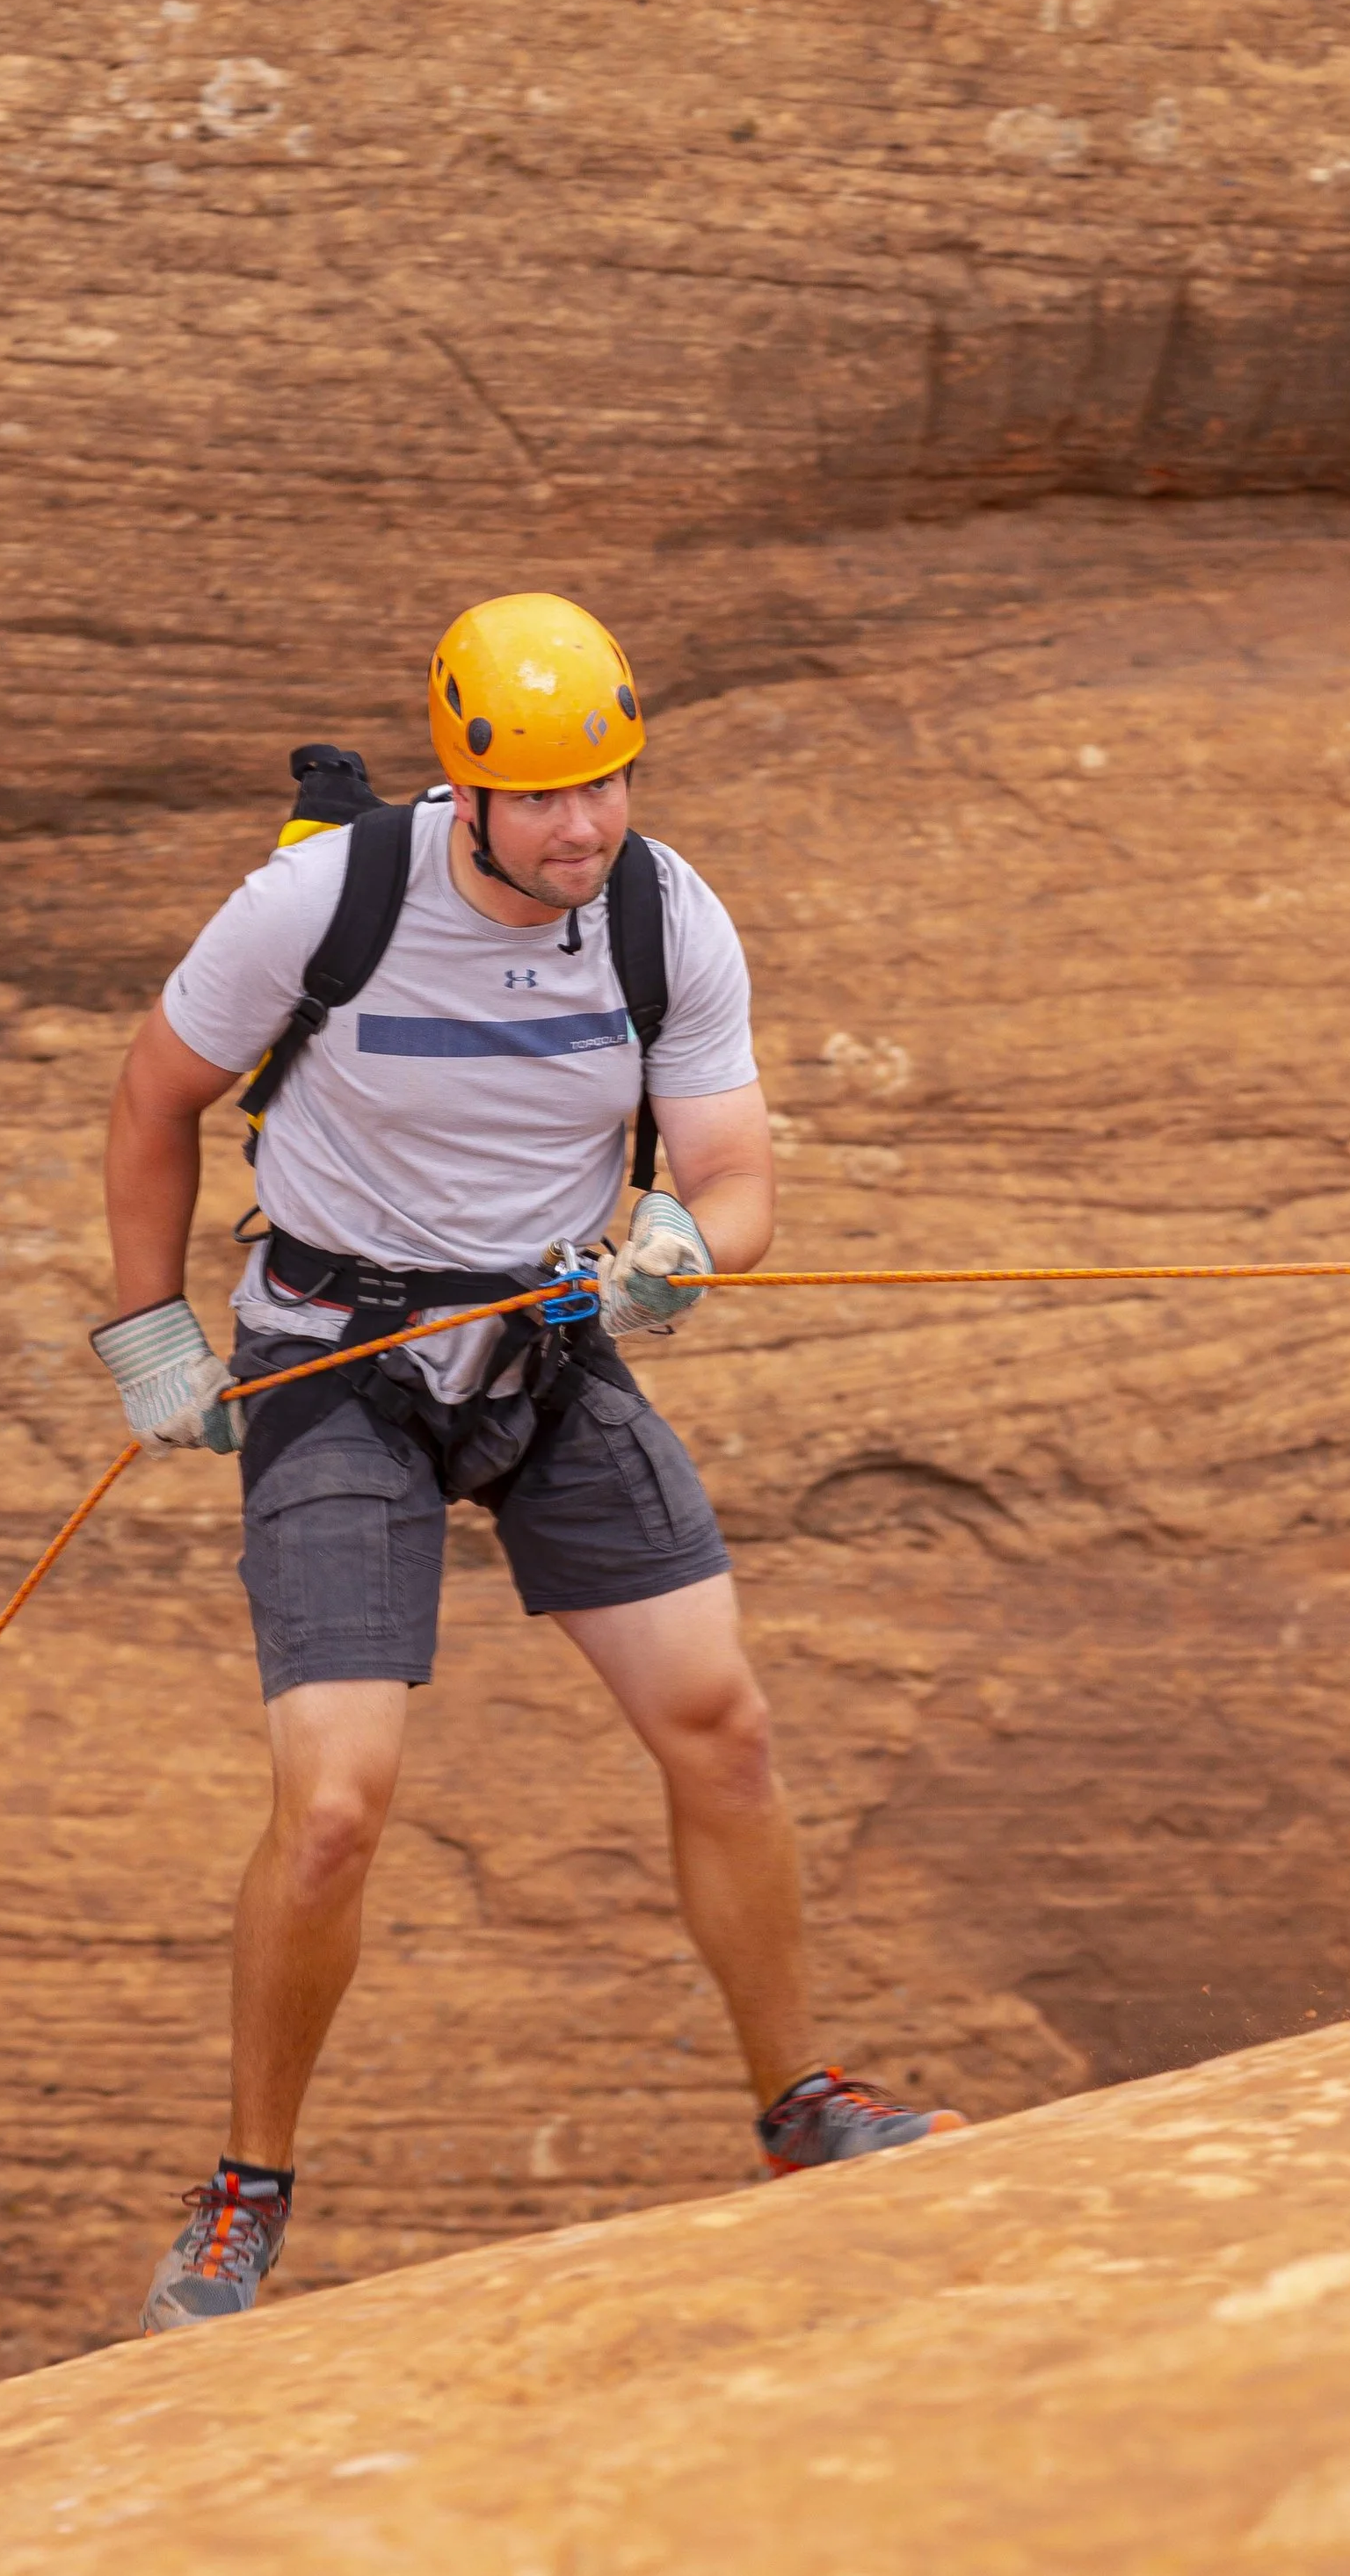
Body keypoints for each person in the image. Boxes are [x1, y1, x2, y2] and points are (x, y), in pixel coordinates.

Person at [93, 592, 963, 2334]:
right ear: (465, 787)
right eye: (545, 794)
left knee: (720, 1725)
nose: (582, 826)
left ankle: (800, 2104)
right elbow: (149, 1100)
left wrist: (687, 1250)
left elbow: (732, 1174)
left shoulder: (661, 914)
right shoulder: (323, 900)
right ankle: (244, 2191)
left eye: (607, 784)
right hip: (339, 1365)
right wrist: (150, 1335)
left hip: (547, 1351)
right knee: (334, 1807)